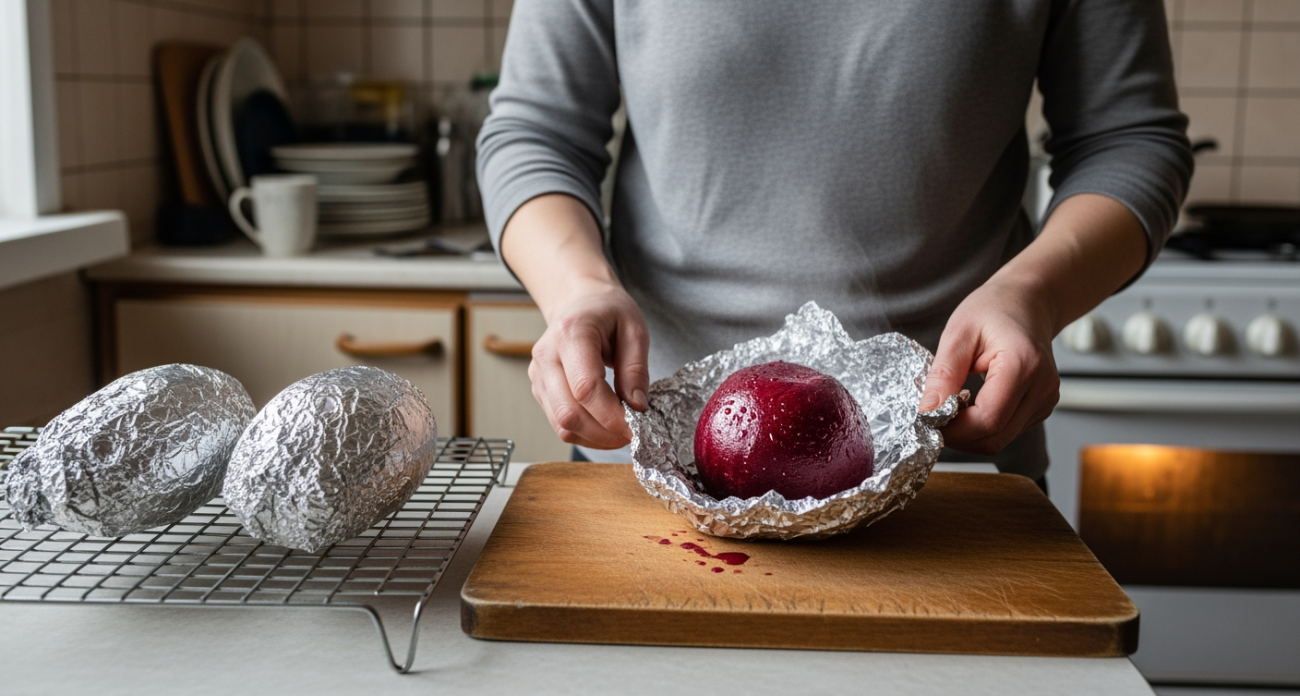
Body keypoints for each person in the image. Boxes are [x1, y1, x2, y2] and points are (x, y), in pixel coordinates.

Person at [475, 1, 1192, 480]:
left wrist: (1029, 294)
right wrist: (578, 289)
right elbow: (536, 132)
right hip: (652, 454)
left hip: (943, 463)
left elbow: (1129, 141)